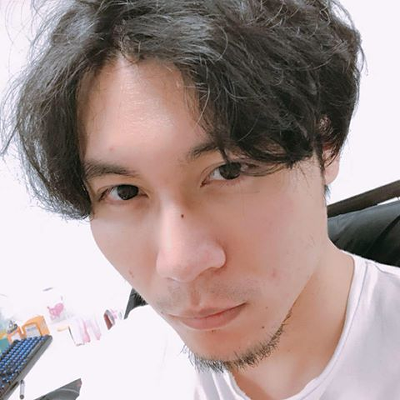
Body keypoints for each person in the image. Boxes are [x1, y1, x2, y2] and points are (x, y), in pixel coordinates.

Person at [2, 0, 400, 398]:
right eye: (124, 191)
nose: (179, 264)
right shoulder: (122, 371)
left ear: (325, 146)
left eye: (229, 170)